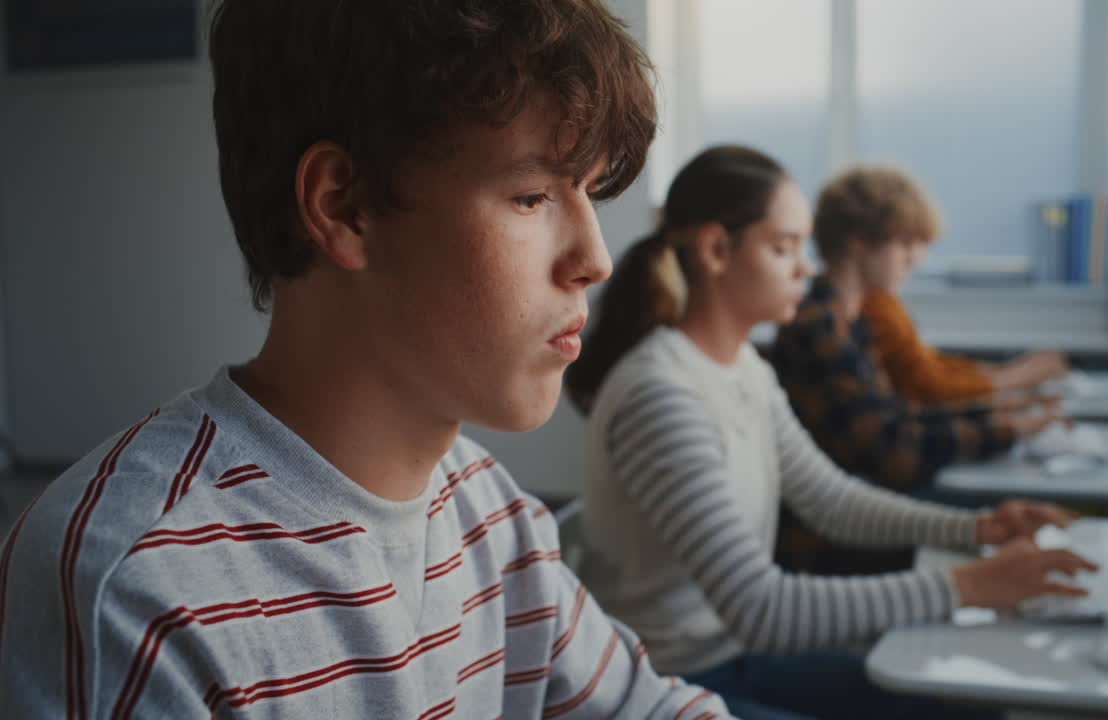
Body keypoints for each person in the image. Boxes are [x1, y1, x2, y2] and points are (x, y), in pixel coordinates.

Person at [0, 2, 733, 717]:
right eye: (533, 196)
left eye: (591, 194)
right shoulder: (137, 588)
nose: (595, 260)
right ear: (344, 207)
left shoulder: (489, 513)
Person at [566, 145, 1096, 720]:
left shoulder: (744, 369)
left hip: (731, 660)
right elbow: (760, 606)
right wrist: (966, 585)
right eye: (783, 247)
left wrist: (976, 527)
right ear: (717, 250)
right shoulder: (661, 394)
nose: (806, 269)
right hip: (661, 685)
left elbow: (832, 500)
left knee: (960, 709)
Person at [770, 167, 1067, 495]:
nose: (916, 259)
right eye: (904, 243)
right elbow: (892, 454)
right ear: (859, 241)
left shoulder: (849, 318)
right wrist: (1005, 431)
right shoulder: (822, 324)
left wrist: (994, 414)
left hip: (859, 494)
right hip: (839, 516)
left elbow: (895, 417)